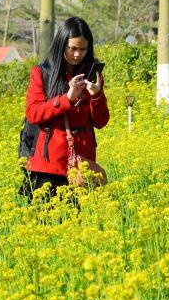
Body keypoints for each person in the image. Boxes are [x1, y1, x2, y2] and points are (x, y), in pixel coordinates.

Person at [22, 17, 110, 198]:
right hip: (48, 164)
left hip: (81, 164)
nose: (77, 54)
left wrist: (96, 96)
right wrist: (66, 99)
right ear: (62, 45)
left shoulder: (92, 74)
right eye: (73, 48)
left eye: (83, 49)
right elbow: (33, 113)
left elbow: (101, 122)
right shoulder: (42, 73)